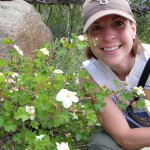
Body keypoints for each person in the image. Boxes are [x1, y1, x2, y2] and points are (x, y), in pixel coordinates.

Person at [81, 0, 150, 149]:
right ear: (87, 37)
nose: (108, 37)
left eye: (118, 23)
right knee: (100, 143)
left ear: (133, 29)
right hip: (133, 141)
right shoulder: (90, 76)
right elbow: (124, 136)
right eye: (96, 27)